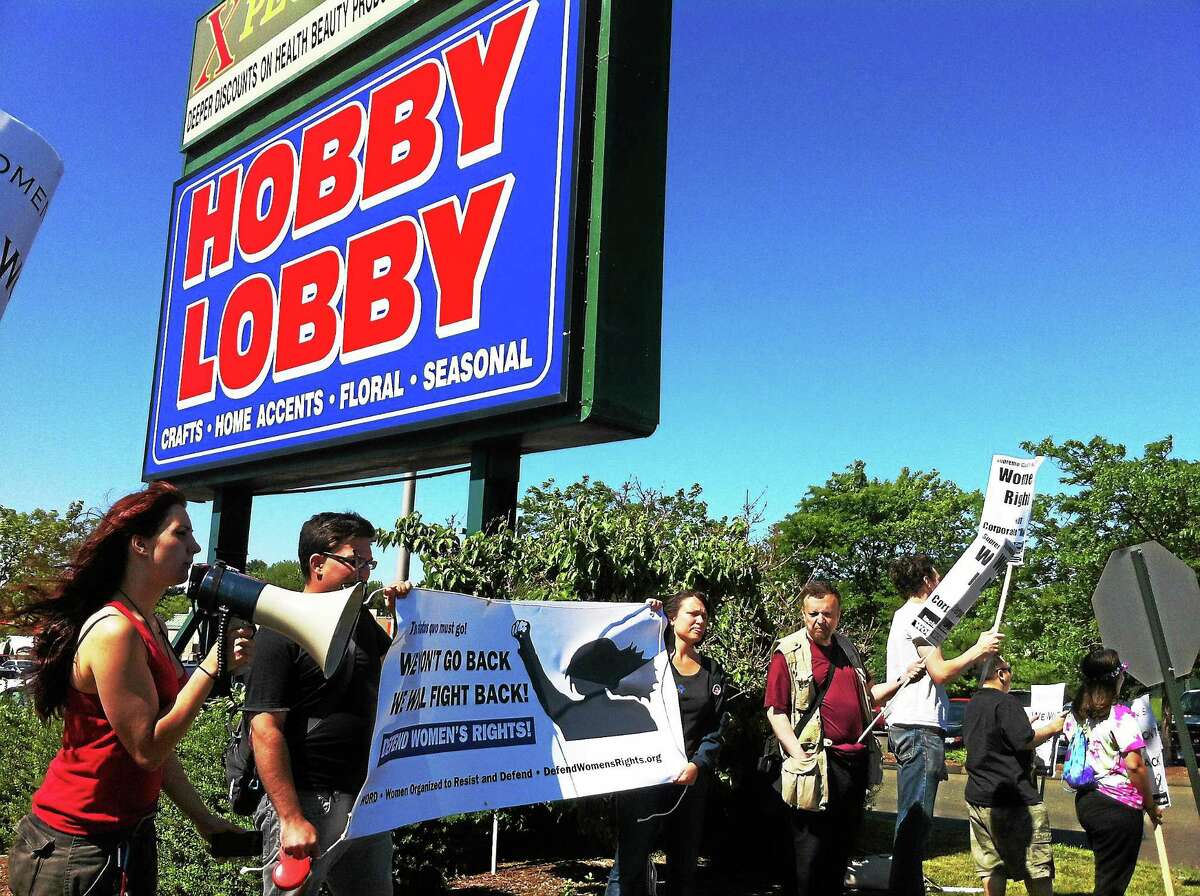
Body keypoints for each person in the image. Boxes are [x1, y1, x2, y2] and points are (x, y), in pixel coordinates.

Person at [6, 482, 254, 896]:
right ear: (139, 544)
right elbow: (147, 748)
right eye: (181, 533)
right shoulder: (116, 630)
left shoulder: (150, 623)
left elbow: (158, 753)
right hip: (77, 849)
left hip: (125, 836)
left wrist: (205, 821)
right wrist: (213, 665)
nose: (195, 548)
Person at [243, 511, 409, 896]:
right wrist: (290, 817)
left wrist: (406, 618)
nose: (365, 573)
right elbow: (265, 729)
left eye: (369, 562)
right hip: (309, 802)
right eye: (356, 561)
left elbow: (397, 677)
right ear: (317, 563)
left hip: (365, 802)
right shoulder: (279, 632)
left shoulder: (360, 623)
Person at [765, 581, 924, 895]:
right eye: (813, 613)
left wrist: (902, 679)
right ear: (803, 613)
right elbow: (775, 710)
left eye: (827, 613)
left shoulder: (848, 649)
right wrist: (799, 755)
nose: (820, 620)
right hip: (816, 764)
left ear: (838, 615)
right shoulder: (789, 652)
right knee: (809, 854)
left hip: (853, 764)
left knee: (840, 849)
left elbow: (867, 697)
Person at [885, 554, 1004, 896]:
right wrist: (978, 651)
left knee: (912, 818)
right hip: (919, 727)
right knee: (916, 820)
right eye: (936, 574)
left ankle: (905, 887)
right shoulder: (921, 617)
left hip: (907, 724)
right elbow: (940, 671)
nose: (941, 580)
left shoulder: (902, 616)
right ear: (927, 580)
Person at [605, 590, 730, 896]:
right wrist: (642, 618)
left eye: (704, 614)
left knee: (684, 869)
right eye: (692, 613)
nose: (700, 620)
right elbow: (612, 660)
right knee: (628, 866)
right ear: (672, 618)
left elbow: (716, 728)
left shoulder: (713, 672)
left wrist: (697, 765)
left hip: (689, 785)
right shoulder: (651, 661)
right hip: (644, 782)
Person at [1063, 647, 1162, 896]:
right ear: (1116, 678)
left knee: (1106, 873)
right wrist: (1149, 805)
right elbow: (1134, 765)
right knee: (1112, 886)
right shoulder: (1121, 718)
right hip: (1117, 805)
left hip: (1087, 800)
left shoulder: (1077, 715)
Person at [963, 655, 1064, 896]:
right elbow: (1025, 740)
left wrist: (1022, 725)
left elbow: (996, 738)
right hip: (1014, 800)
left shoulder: (973, 704)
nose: (1011, 675)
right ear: (1000, 674)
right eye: (1010, 670)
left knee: (991, 868)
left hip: (978, 797)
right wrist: (1052, 728)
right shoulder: (1006, 703)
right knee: (1036, 868)